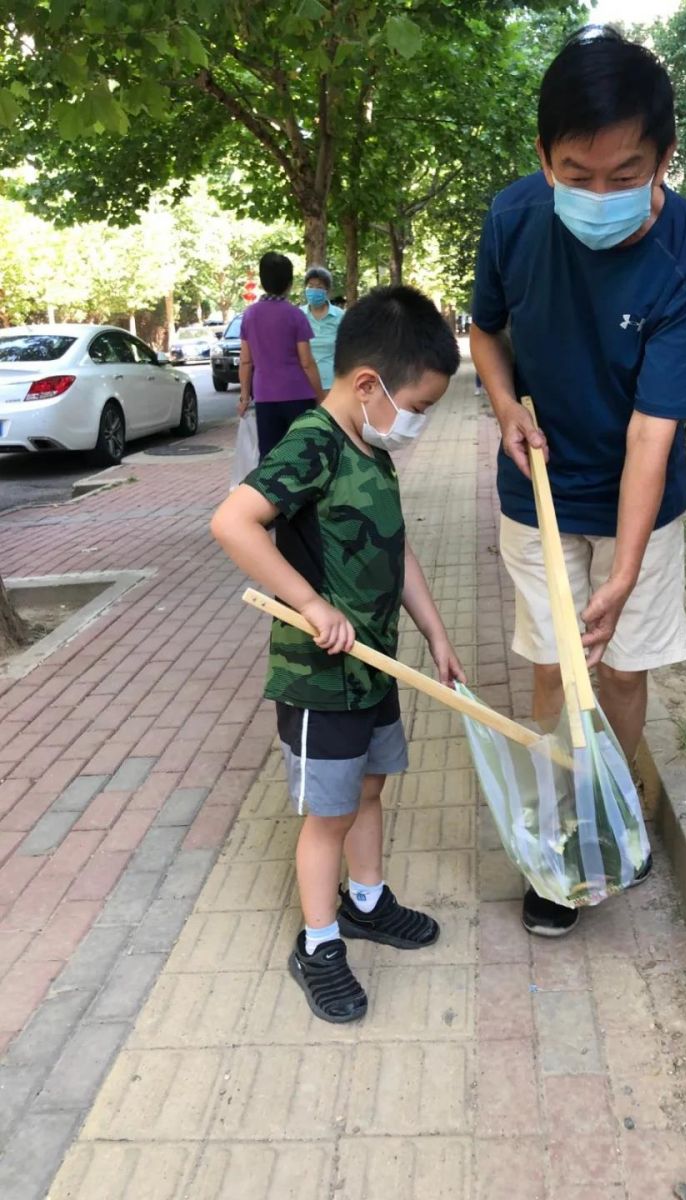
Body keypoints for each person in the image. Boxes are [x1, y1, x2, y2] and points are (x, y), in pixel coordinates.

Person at [470, 26, 686, 937]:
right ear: (544, 157)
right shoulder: (513, 219)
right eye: (577, 172)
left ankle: (608, 810)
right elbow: (486, 331)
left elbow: (654, 429)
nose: (601, 194)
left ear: (664, 158)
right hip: (536, 486)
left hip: (639, 503)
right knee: (555, 670)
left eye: (626, 174)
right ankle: (557, 837)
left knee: (618, 672)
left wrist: (623, 570)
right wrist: (505, 405)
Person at [211, 286, 465, 1023]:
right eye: (417, 406)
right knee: (328, 814)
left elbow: (396, 545)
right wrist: (311, 604)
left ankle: (367, 901)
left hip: (375, 666)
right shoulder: (314, 443)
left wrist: (436, 632)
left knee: (371, 788)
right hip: (320, 678)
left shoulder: (370, 447)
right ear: (367, 385)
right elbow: (233, 523)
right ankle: (318, 943)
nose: (418, 422)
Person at [239, 251, 324, 457]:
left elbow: (246, 361)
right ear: (289, 283)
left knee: (271, 457)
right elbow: (306, 362)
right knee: (303, 455)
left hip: (264, 397)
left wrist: (244, 398)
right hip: (299, 396)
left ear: (262, 280)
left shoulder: (249, 315)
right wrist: (320, 396)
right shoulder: (296, 315)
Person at [301, 265, 344, 392]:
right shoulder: (298, 316)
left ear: (327, 291)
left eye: (319, 287)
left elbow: (348, 350)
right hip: (303, 383)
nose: (314, 290)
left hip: (333, 384)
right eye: (310, 286)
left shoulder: (340, 316)